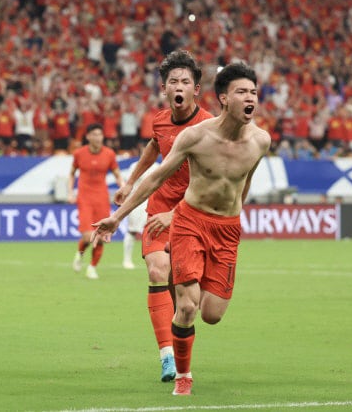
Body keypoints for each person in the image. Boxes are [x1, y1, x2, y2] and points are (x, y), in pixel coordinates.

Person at [93, 62, 271, 395]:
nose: (250, 98)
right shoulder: (197, 136)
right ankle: (181, 374)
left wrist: (236, 214)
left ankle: (182, 300)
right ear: (224, 98)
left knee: (212, 314)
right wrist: (118, 216)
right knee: (185, 303)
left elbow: (243, 182)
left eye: (253, 92)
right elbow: (157, 176)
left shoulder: (261, 141)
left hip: (227, 229)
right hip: (189, 220)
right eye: (242, 92)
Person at [112, 49, 213, 383]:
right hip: (159, 208)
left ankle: (179, 337)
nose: (178, 86)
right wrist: (130, 182)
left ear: (196, 89)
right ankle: (167, 356)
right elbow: (154, 147)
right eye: (173, 81)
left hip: (195, 213)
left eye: (185, 81)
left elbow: (210, 181)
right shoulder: (159, 120)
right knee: (157, 270)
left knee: (191, 302)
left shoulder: (209, 127)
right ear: (165, 88)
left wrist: (178, 213)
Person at [68, 123, 124, 279]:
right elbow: (71, 173)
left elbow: (117, 174)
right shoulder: (79, 154)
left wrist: (123, 188)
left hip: (101, 198)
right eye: (94, 134)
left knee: (101, 236)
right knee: (87, 236)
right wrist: (70, 192)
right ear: (88, 137)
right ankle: (80, 254)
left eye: (100, 134)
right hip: (84, 198)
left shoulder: (109, 154)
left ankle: (92, 267)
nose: (98, 137)